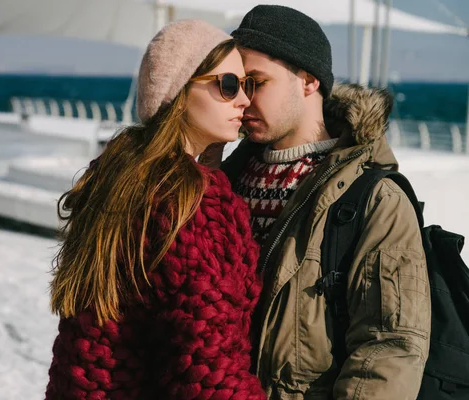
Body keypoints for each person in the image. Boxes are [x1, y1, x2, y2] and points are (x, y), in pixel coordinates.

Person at [202, 5, 430, 400]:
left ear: (308, 81)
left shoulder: (374, 199)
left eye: (256, 82)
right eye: (235, 84)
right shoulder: (223, 180)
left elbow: (389, 350)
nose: (242, 99)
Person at [45, 19, 266, 399]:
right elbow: (210, 370)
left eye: (247, 85)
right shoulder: (191, 202)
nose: (244, 100)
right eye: (228, 86)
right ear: (179, 92)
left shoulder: (121, 177)